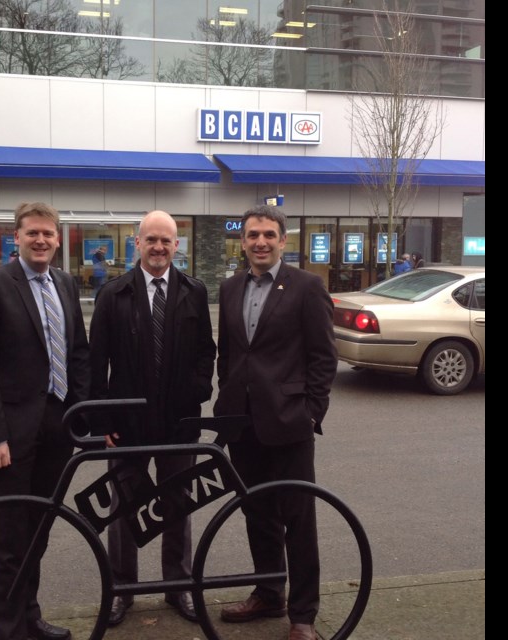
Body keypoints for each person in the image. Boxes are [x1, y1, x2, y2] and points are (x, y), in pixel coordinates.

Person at [0, 201, 90, 640]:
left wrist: (83, 419)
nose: (41, 240)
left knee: (39, 529)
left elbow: (77, 355)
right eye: (32, 233)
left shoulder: (66, 284)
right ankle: (10, 630)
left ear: (58, 239)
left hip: (58, 430)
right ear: (15, 238)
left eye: (48, 234)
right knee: (8, 539)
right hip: (11, 438)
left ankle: (31, 618)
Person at [213, 205, 337, 640]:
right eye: (252, 235)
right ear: (242, 241)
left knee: (298, 520)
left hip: (289, 423)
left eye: (269, 234)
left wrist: (311, 412)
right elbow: (229, 354)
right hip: (241, 424)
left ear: (284, 240)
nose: (260, 242)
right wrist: (227, 398)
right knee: (257, 513)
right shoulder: (229, 288)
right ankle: (269, 594)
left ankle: (303, 615)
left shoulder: (306, 287)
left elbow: (324, 357)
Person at [89, 210, 216, 626]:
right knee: (122, 508)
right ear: (137, 244)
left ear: (176, 246)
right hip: (126, 423)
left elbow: (205, 351)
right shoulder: (113, 294)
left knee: (178, 504)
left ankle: (178, 586)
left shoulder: (194, 291)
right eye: (151, 240)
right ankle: (121, 589)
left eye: (166, 240)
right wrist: (102, 417)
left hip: (180, 421)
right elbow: (97, 362)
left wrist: (199, 391)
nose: (159, 247)